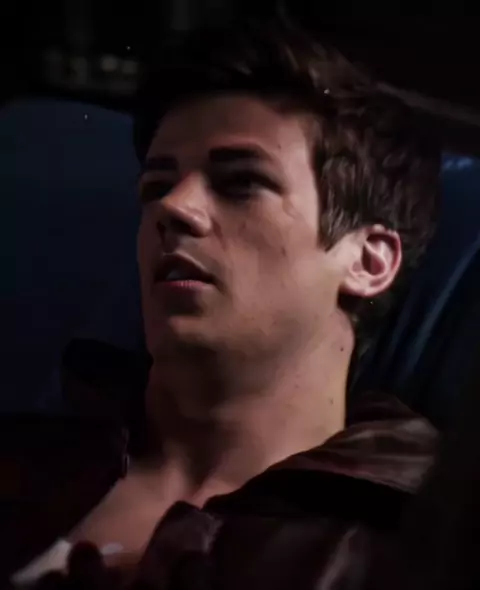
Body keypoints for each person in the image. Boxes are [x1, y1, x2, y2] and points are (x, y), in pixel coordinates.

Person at [7, 17, 441, 590]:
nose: (173, 208)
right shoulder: (26, 464)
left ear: (369, 261)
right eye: (155, 187)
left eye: (241, 182)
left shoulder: (417, 550)